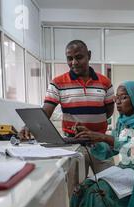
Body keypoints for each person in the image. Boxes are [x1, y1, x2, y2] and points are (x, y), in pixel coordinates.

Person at [19, 40, 115, 175]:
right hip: (73, 145)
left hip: (100, 143)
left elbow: (109, 112)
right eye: (69, 59)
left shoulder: (105, 82)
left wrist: (94, 130)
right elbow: (46, 110)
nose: (74, 62)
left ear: (89, 55)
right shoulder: (57, 83)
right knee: (76, 189)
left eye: (79, 57)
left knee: (110, 182)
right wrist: (30, 125)